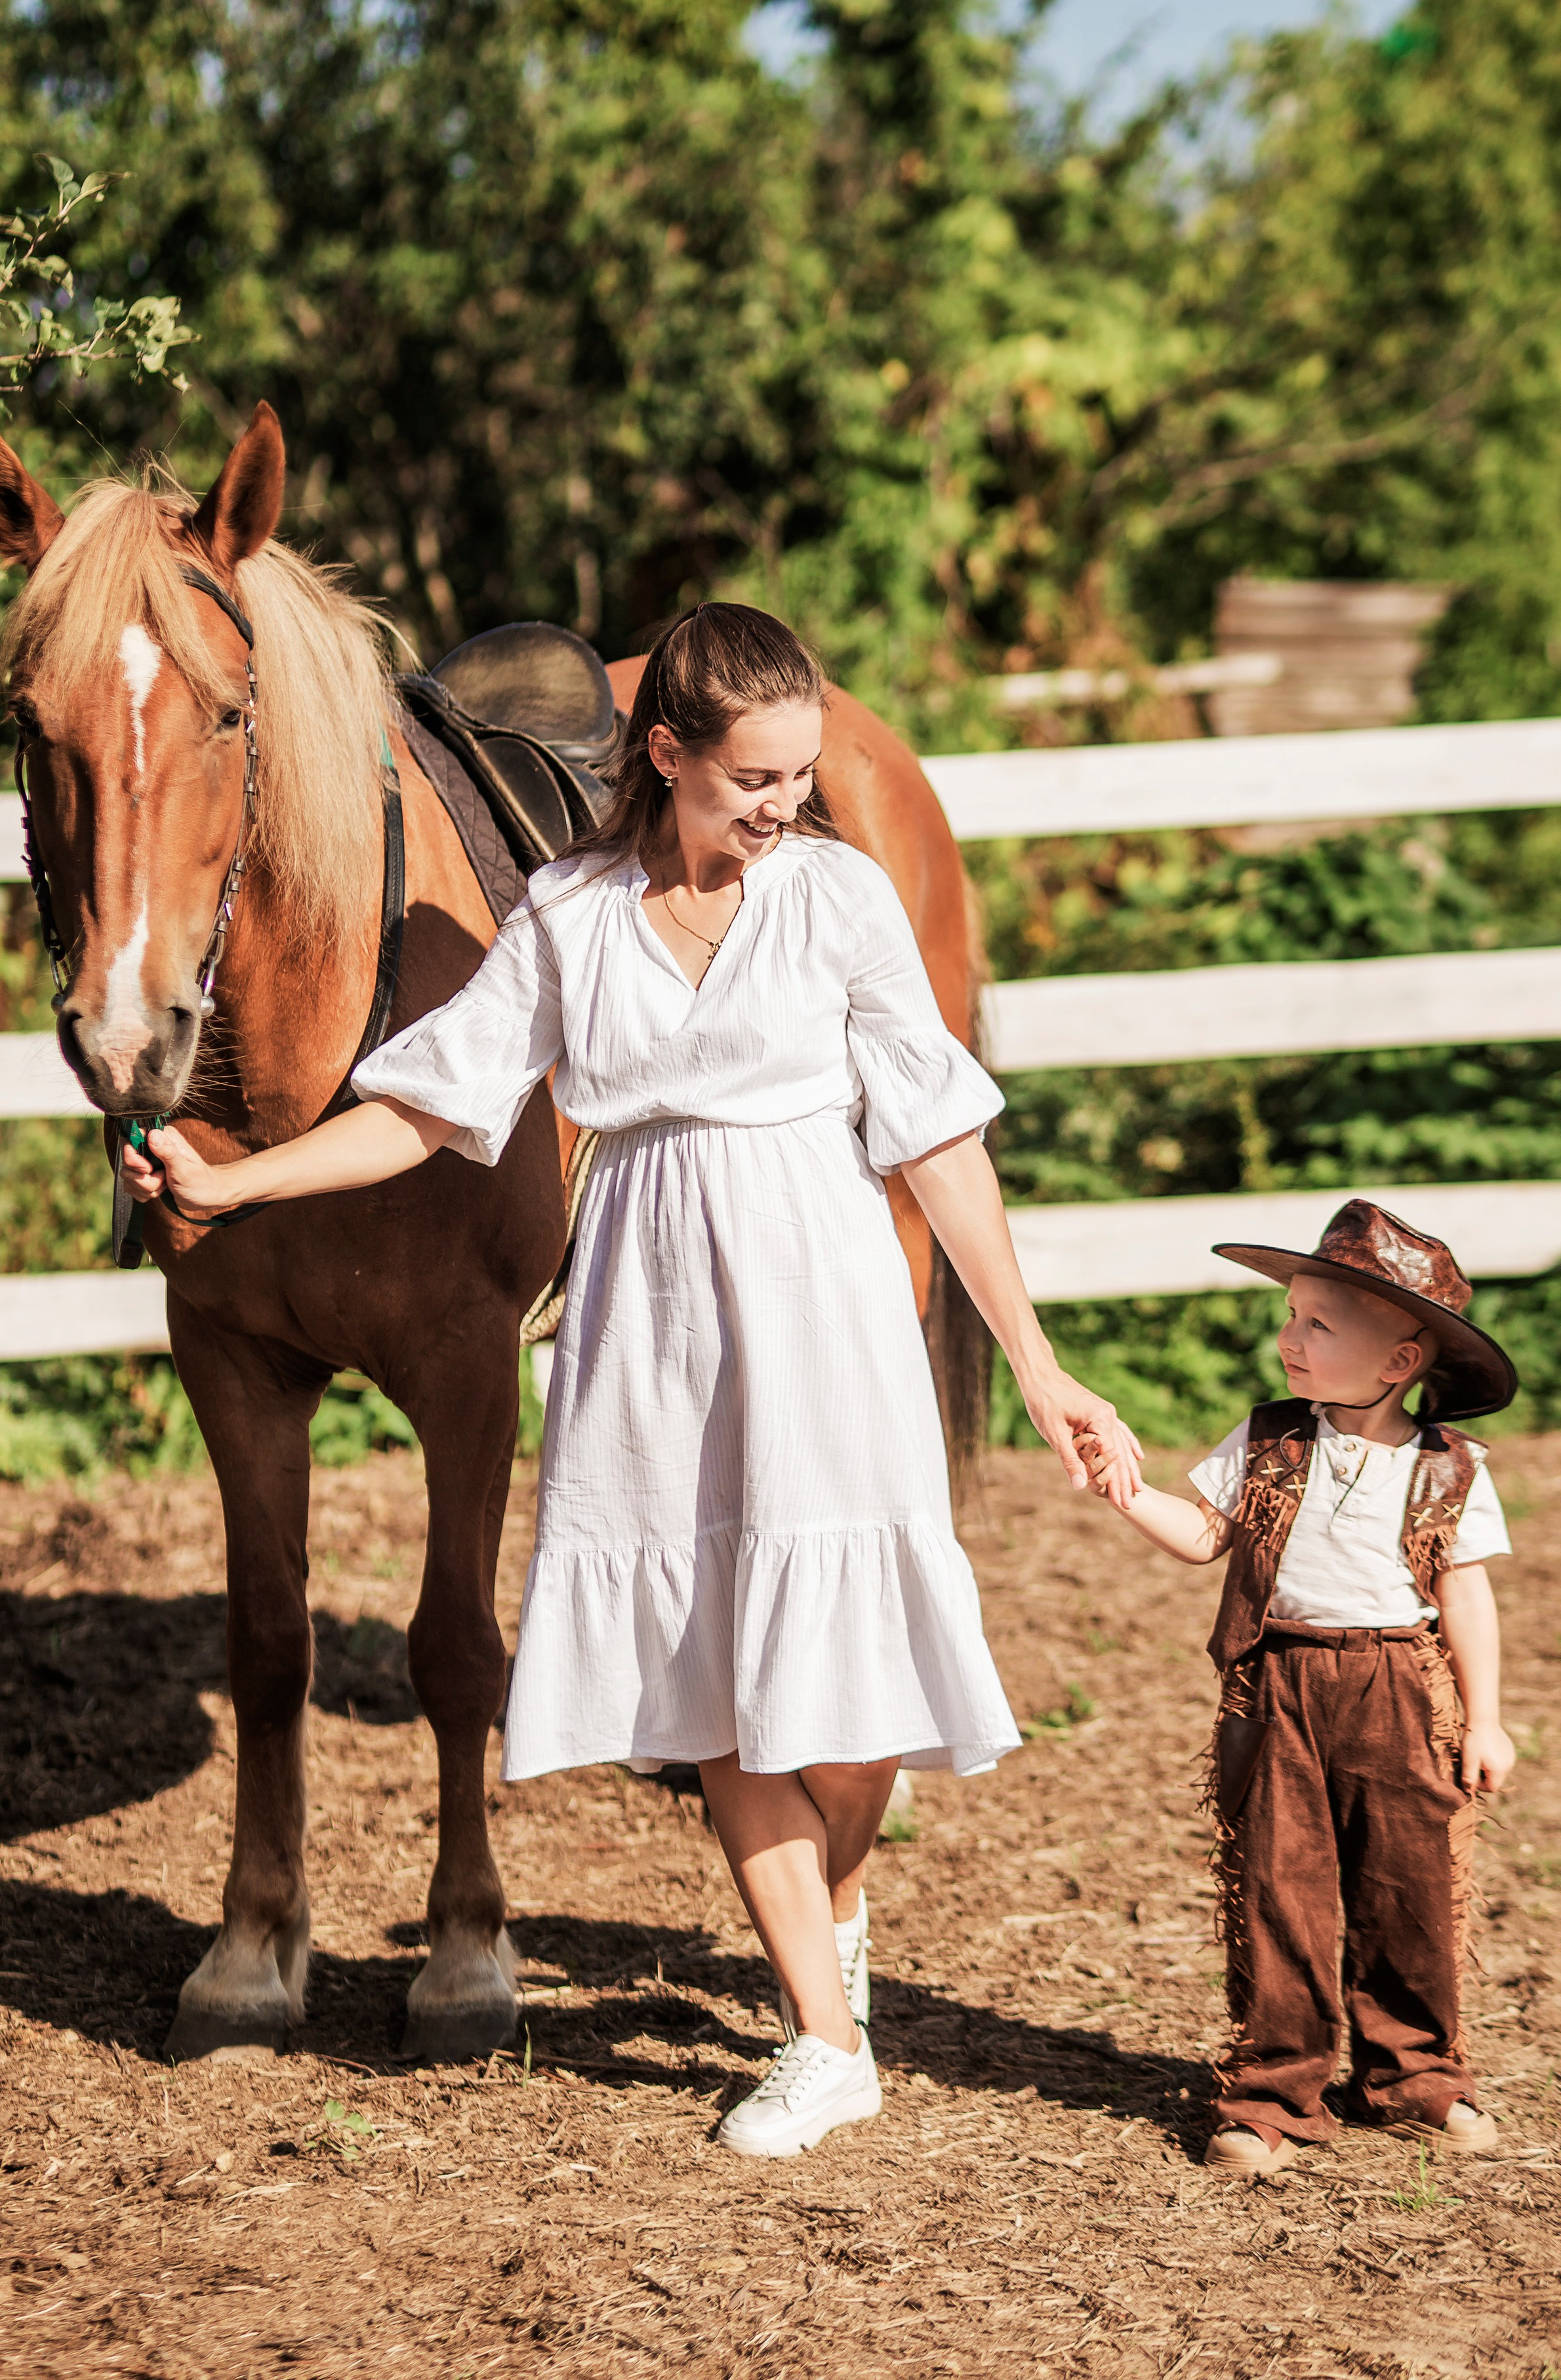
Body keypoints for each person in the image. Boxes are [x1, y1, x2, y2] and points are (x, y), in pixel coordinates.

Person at [122, 600, 1141, 2159]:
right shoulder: (571, 916)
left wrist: (1039, 1362)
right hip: (649, 1318)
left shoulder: (838, 900)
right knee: (712, 1676)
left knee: (853, 1682)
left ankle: (835, 1928)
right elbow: (428, 1108)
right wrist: (238, 1183)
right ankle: (823, 2038)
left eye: (800, 776)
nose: (784, 806)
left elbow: (939, 1139)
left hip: (823, 1299)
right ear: (665, 756)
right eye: (754, 780)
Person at [1090, 1200, 1518, 2177]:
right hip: (1279, 1683)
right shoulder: (1269, 1440)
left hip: (1399, 1687)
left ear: (1400, 1361)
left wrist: (1486, 1719)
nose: (1290, 1338)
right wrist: (1125, 1490)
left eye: (1319, 1325)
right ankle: (1274, 2092)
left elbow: (1466, 1596)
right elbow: (1207, 1537)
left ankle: (1416, 2076)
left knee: (1410, 1886)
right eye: (1292, 1316)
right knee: (1278, 1886)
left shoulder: (1449, 1469)